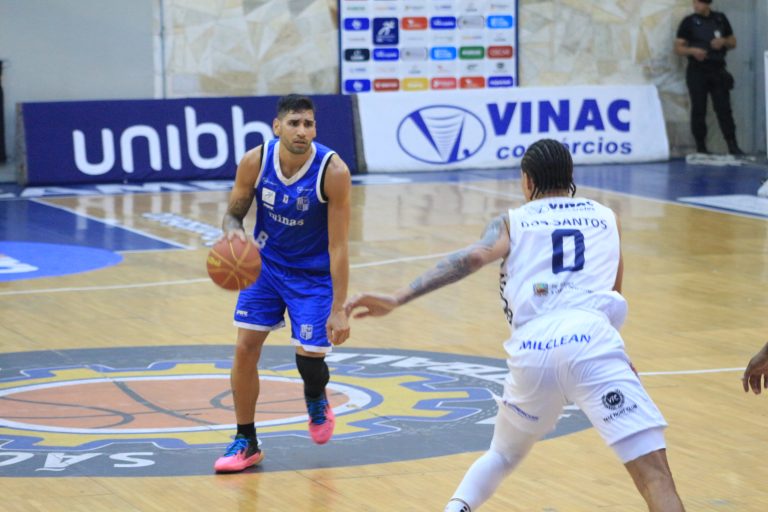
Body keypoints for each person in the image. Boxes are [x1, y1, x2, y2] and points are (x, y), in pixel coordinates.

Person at [345, 139, 685, 511]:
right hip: (592, 341)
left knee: (502, 455)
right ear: (570, 176)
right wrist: (612, 357)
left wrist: (398, 297)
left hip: (533, 351)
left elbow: (473, 258)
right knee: (655, 478)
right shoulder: (607, 218)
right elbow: (611, 293)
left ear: (527, 180)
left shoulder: (513, 220)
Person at [214, 94, 352, 473]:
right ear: (277, 127)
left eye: (308, 124)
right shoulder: (255, 161)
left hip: (312, 274)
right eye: (294, 123)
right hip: (266, 267)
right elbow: (233, 214)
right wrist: (233, 234)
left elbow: (339, 246)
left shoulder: (333, 171)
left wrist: (339, 308)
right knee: (245, 348)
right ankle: (246, 440)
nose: (301, 131)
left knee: (309, 360)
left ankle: (315, 395)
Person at [674, 0, 743, 156]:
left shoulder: (720, 19)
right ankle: (701, 147)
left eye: (699, 3)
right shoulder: (689, 22)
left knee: (724, 109)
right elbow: (678, 48)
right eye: (694, 2)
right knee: (699, 109)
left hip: (717, 69)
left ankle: (732, 145)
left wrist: (723, 41)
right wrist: (693, 51)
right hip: (697, 71)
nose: (695, 6)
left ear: (707, 3)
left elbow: (733, 42)